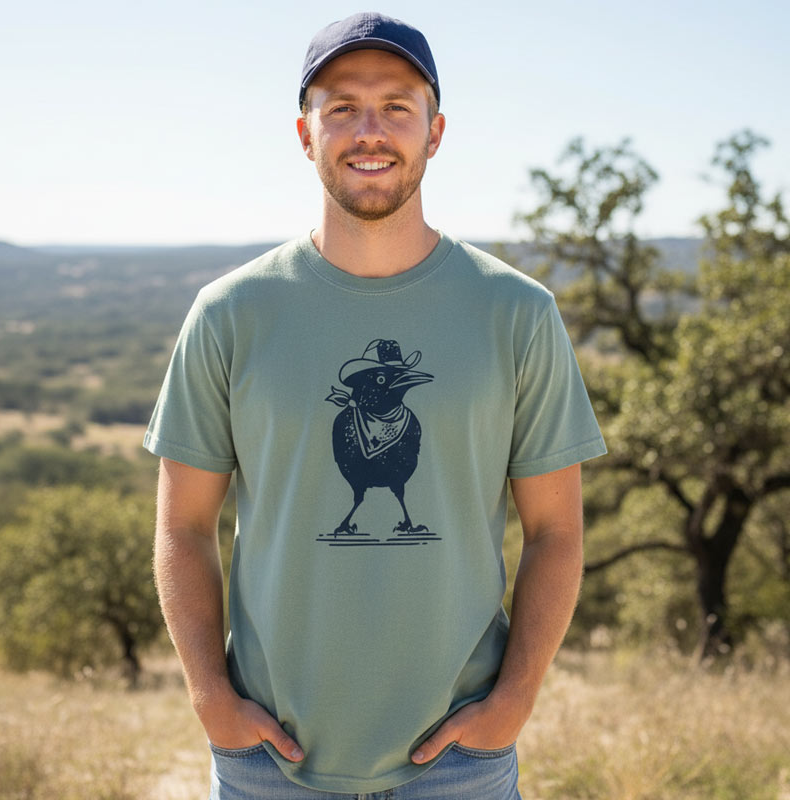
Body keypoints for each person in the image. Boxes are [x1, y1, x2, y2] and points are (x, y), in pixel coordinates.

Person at [145, 12, 606, 800]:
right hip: (269, 767)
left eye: (397, 106)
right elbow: (182, 527)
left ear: (436, 131)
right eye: (341, 107)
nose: (370, 131)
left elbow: (557, 532)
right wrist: (211, 698)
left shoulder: (517, 314)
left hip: (459, 767)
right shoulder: (228, 315)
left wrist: (513, 701)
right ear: (305, 132)